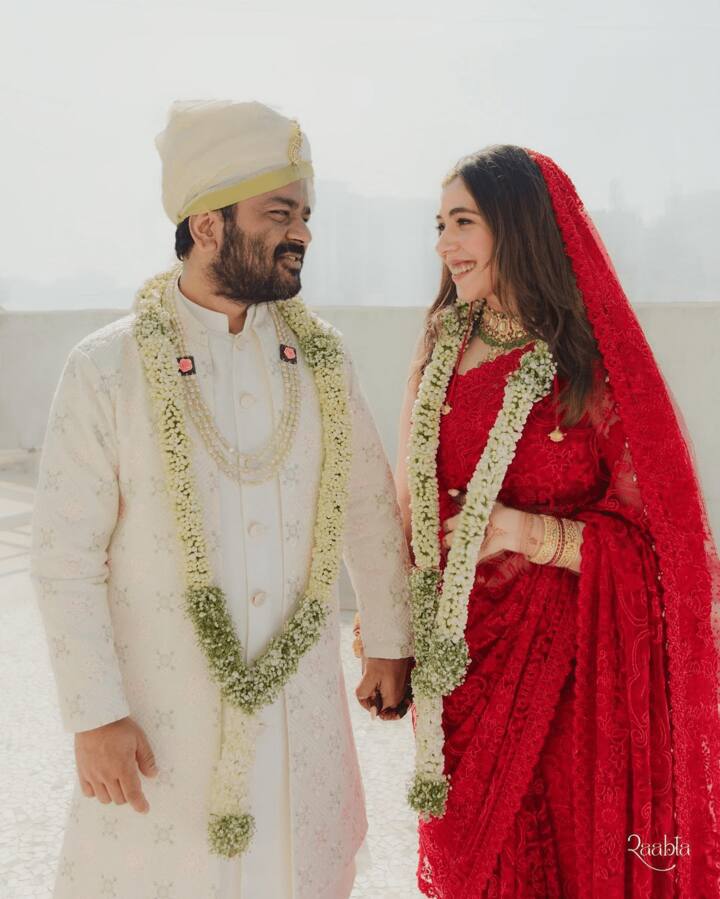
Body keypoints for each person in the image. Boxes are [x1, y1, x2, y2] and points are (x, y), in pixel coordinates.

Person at [30, 99, 413, 899]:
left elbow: (371, 507)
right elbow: (66, 557)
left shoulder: (322, 361)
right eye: (280, 213)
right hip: (164, 723)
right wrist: (94, 715)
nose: (302, 232)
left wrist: (387, 637)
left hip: (295, 711)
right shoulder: (107, 368)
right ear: (207, 226)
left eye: (306, 214)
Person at [393, 145, 720, 897]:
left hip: (571, 679)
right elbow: (417, 499)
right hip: (460, 667)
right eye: (439, 224)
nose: (444, 245)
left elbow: (665, 544)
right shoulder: (440, 347)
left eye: (463, 222)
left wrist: (526, 533)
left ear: (518, 226)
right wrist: (392, 623)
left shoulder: (592, 364)